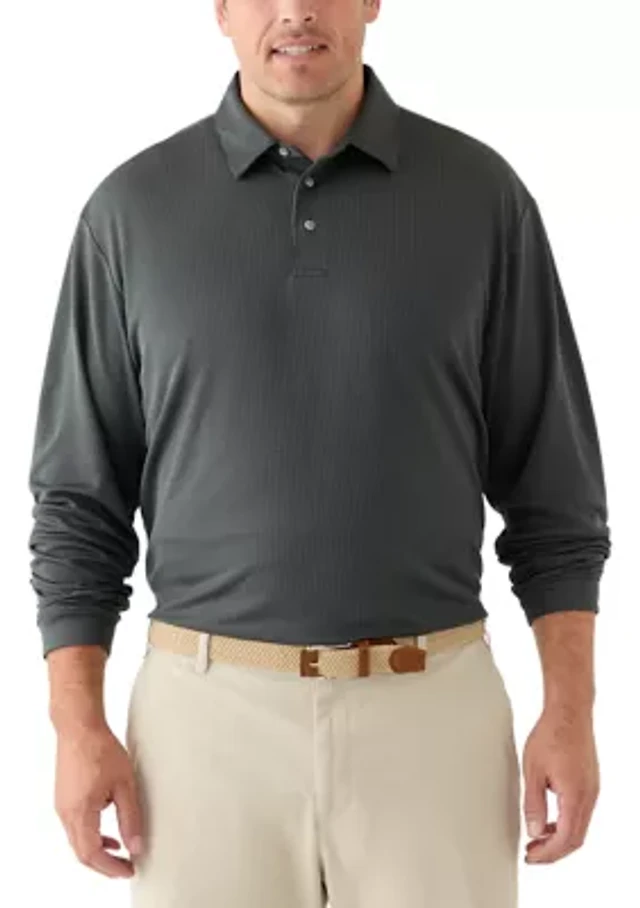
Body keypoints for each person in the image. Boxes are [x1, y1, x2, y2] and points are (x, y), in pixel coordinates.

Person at [28, 1, 611, 906]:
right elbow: (78, 503)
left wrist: (569, 714)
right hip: (203, 728)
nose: (296, 10)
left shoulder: (481, 198)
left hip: (434, 722)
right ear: (221, 9)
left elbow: (557, 494)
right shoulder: (130, 212)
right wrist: (77, 728)